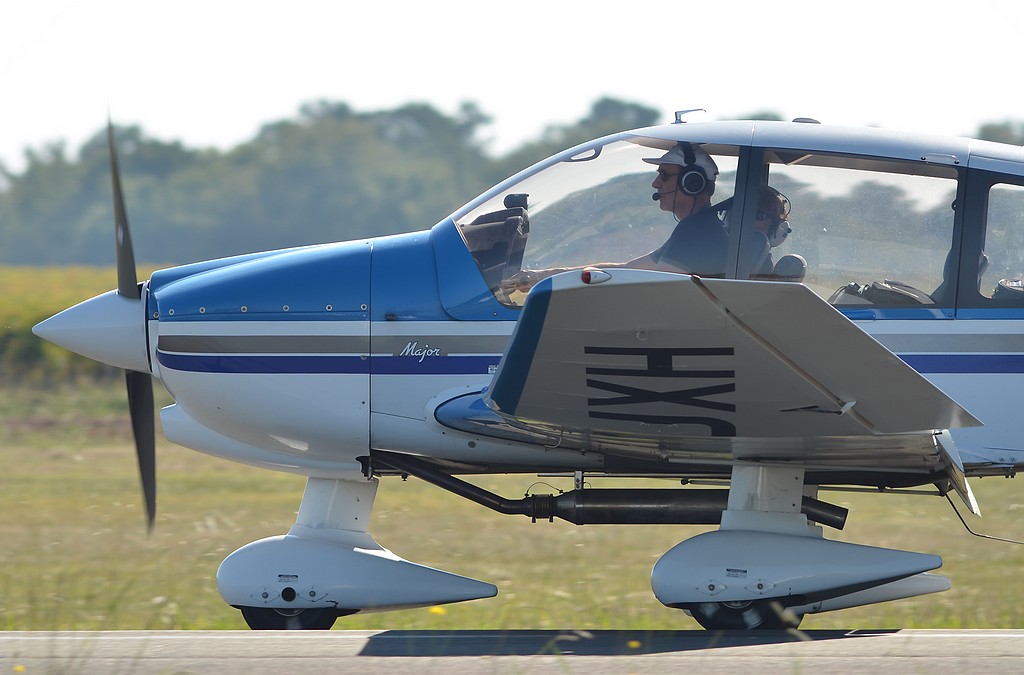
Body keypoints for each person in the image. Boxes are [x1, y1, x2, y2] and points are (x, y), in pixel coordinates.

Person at [502, 142, 728, 292]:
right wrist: (541, 277)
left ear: (692, 183)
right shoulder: (697, 228)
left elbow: (654, 291)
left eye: (664, 175)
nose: (655, 183)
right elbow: (626, 270)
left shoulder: (697, 230)